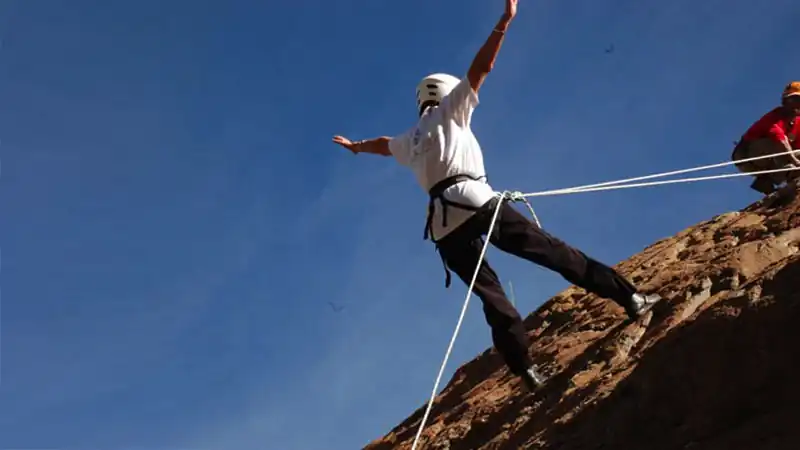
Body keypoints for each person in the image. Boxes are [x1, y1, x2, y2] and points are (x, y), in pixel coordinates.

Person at [331, 0, 661, 392]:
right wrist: (504, 22)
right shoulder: (449, 111)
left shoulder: (412, 138)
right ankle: (632, 299)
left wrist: (356, 147)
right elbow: (480, 70)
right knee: (555, 253)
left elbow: (384, 145)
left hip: (442, 226)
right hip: (473, 199)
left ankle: (526, 371)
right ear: (444, 91)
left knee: (493, 298)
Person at [732, 82, 800, 195]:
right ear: (785, 101)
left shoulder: (797, 124)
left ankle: (767, 181)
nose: (795, 105)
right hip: (746, 157)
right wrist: (795, 162)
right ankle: (788, 172)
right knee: (778, 144)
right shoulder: (774, 116)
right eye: (792, 100)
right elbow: (779, 138)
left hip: (769, 160)